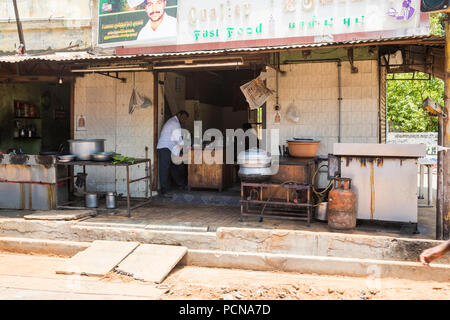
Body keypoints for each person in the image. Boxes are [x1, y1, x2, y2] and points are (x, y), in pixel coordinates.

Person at [157, 110, 189, 198]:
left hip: (169, 148)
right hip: (165, 148)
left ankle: (181, 184)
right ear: (178, 115)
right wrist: (186, 148)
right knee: (164, 168)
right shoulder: (175, 123)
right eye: (183, 117)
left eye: (185, 119)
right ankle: (164, 191)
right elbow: (179, 139)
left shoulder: (173, 121)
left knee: (173, 166)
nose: (184, 120)